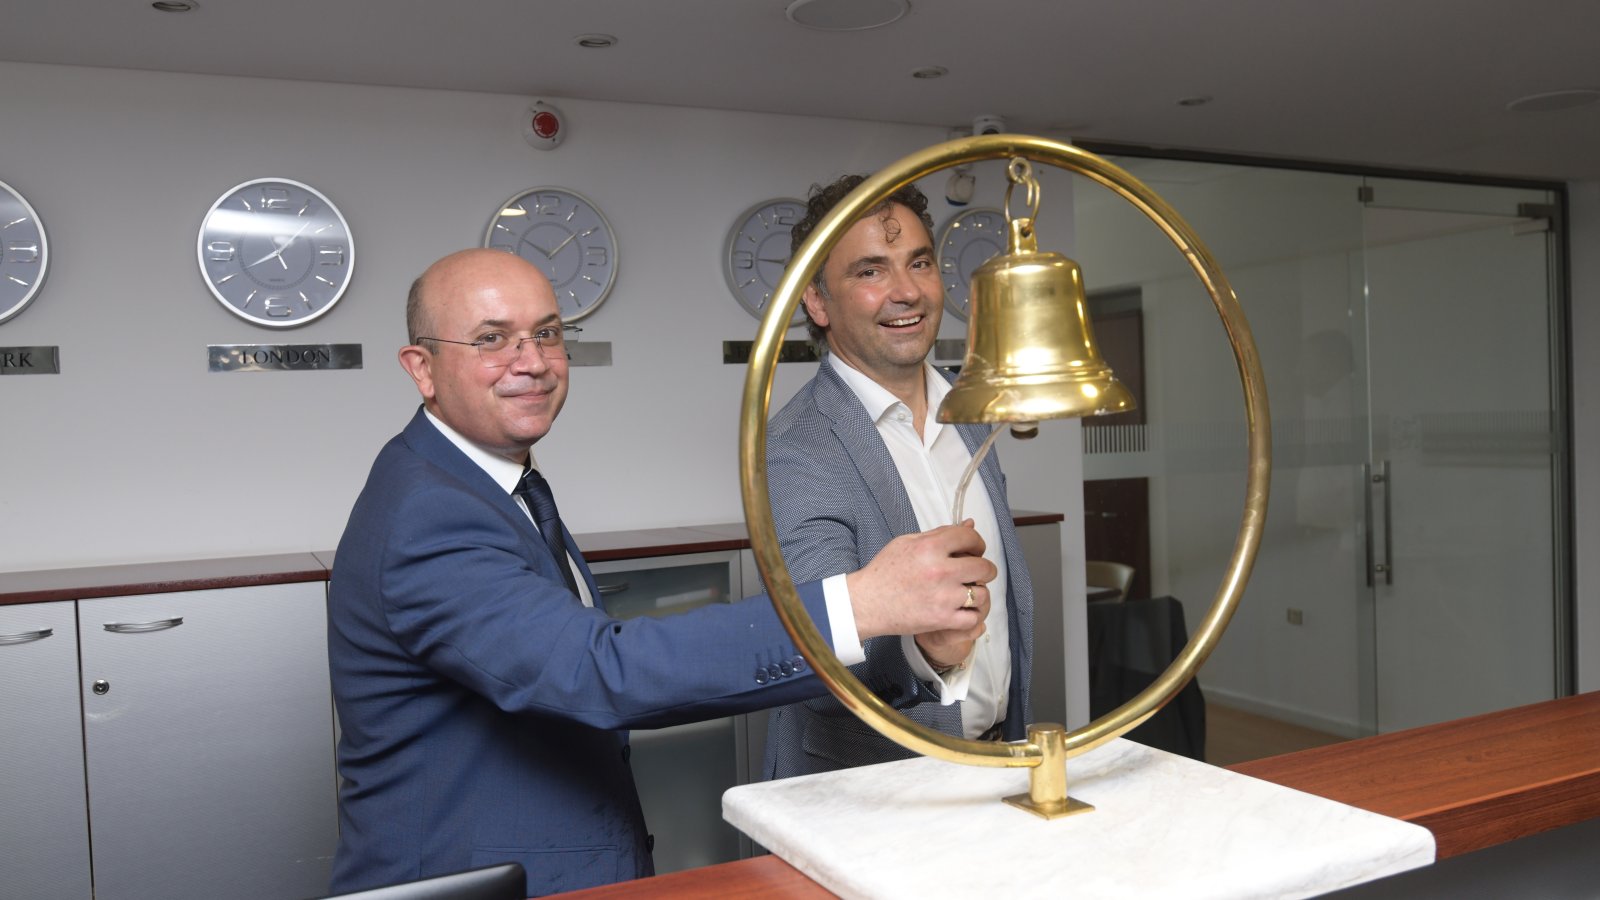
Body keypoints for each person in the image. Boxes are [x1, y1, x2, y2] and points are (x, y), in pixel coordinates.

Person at [326, 248, 996, 897]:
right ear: (422, 368)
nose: (531, 361)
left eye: (547, 334)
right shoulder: (427, 511)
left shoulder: (492, 480)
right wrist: (859, 605)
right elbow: (599, 672)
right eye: (492, 340)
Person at [760, 176, 1035, 780]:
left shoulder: (969, 412)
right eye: (870, 271)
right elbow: (813, 654)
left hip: (997, 760)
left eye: (919, 263)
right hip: (869, 789)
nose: (907, 291)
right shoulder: (796, 447)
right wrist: (926, 652)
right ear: (817, 302)